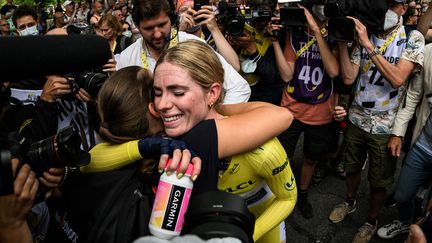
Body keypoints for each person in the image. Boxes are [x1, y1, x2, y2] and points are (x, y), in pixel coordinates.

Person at [87, 40, 296, 243]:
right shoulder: (165, 135)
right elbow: (89, 161)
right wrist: (146, 146)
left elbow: (287, 198)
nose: (162, 104)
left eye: (178, 92)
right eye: (157, 93)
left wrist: (249, 235)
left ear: (212, 93)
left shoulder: (261, 148)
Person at [328, 0, 425, 242]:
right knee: (351, 167)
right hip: (357, 118)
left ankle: (372, 219)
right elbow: (349, 78)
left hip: (386, 126)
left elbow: (397, 79)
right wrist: (342, 41)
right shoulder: (367, 32)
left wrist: (369, 45)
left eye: (391, 5)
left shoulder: (413, 38)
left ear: (403, 8)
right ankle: (349, 201)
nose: (383, 10)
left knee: (379, 180)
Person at [116, 0, 251, 105]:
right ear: (137, 26)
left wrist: (212, 124)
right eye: (148, 28)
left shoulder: (194, 45)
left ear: (172, 19)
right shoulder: (127, 58)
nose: (157, 34)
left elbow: (239, 87)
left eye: (162, 25)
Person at [275, 2, 340, 219]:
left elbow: (332, 70)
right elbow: (286, 75)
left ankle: (302, 195)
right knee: (282, 155)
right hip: (291, 108)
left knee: (311, 158)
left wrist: (317, 30)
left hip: (321, 111)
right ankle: (282, 194)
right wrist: (276, 41)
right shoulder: (294, 32)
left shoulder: (336, 32)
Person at [376, 43, 432, 239]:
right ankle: (405, 221)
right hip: (423, 145)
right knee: (401, 196)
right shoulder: (429, 52)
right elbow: (414, 95)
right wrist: (398, 132)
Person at [228, 0, 286, 105]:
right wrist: (232, 45)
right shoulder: (237, 23)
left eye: (265, 15)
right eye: (257, 14)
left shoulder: (275, 32)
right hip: (235, 87)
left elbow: (271, 76)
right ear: (249, 8)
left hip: (262, 94)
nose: (260, 22)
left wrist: (251, 49)